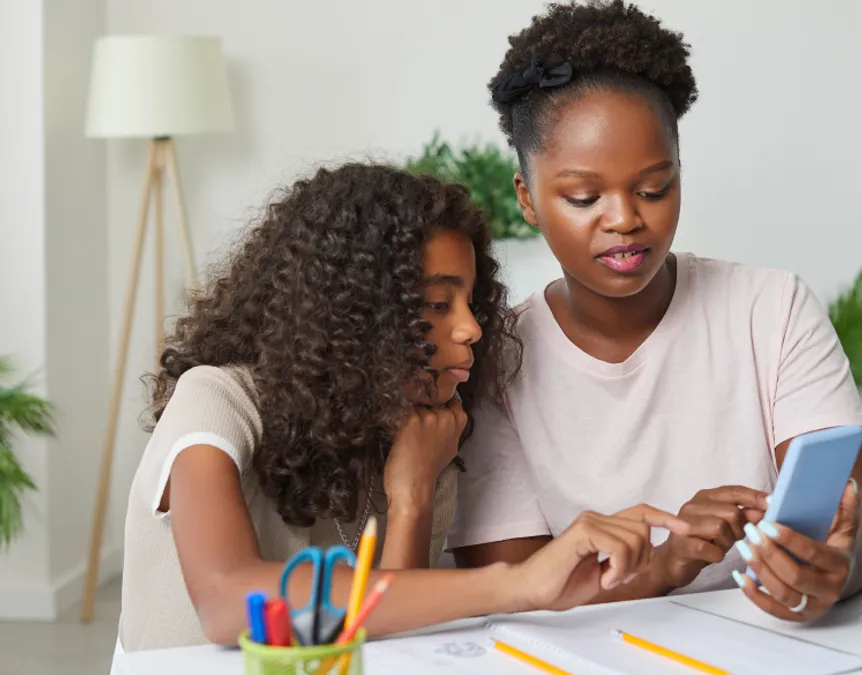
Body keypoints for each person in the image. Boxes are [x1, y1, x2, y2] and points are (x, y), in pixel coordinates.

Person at [116, 162, 688, 652]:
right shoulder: (218, 399)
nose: (470, 328)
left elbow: (388, 644)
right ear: (351, 315)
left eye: (470, 301)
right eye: (438, 304)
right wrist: (518, 584)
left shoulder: (423, 435)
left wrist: (411, 495)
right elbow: (226, 600)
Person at [448, 0, 862, 623]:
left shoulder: (771, 307)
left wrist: (834, 569)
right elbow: (513, 588)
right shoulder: (496, 357)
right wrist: (666, 564)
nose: (626, 218)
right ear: (528, 198)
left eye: (654, 188)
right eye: (583, 196)